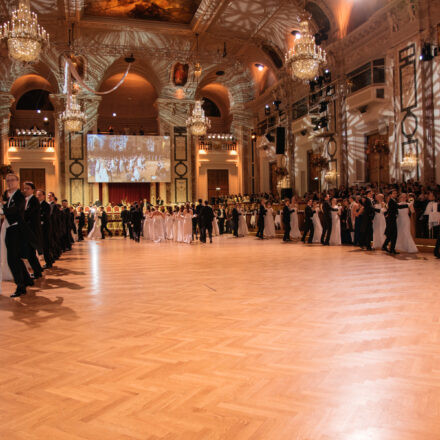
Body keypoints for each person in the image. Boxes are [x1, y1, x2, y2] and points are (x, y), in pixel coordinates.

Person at [2, 173, 35, 297]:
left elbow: (16, 209)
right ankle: (27, 280)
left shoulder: (19, 195)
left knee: (12, 259)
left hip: (16, 230)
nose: (9, 182)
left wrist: (2, 209)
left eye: (12, 180)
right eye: (7, 180)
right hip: (10, 229)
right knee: (15, 258)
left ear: (17, 181)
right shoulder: (9, 195)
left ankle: (20, 286)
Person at [23, 181, 43, 278]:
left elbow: (29, 214)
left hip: (32, 231)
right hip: (28, 230)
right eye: (24, 188)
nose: (25, 190)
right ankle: (38, 271)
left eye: (27, 188)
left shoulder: (34, 200)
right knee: (30, 253)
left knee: (30, 252)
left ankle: (37, 272)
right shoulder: (26, 200)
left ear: (32, 190)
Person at [36, 189, 53, 269]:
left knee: (46, 246)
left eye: (39, 195)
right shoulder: (37, 204)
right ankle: (48, 261)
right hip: (40, 228)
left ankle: (49, 263)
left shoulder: (46, 205)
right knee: (43, 246)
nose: (38, 196)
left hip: (45, 228)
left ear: (43, 196)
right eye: (37, 195)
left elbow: (46, 216)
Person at [382, 189, 399, 254]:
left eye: (396, 193)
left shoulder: (393, 201)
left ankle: (388, 247)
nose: (395, 194)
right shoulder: (391, 201)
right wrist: (407, 205)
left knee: (391, 235)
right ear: (390, 195)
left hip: (391, 220)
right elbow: (397, 207)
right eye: (394, 193)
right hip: (391, 220)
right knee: (393, 235)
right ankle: (390, 248)